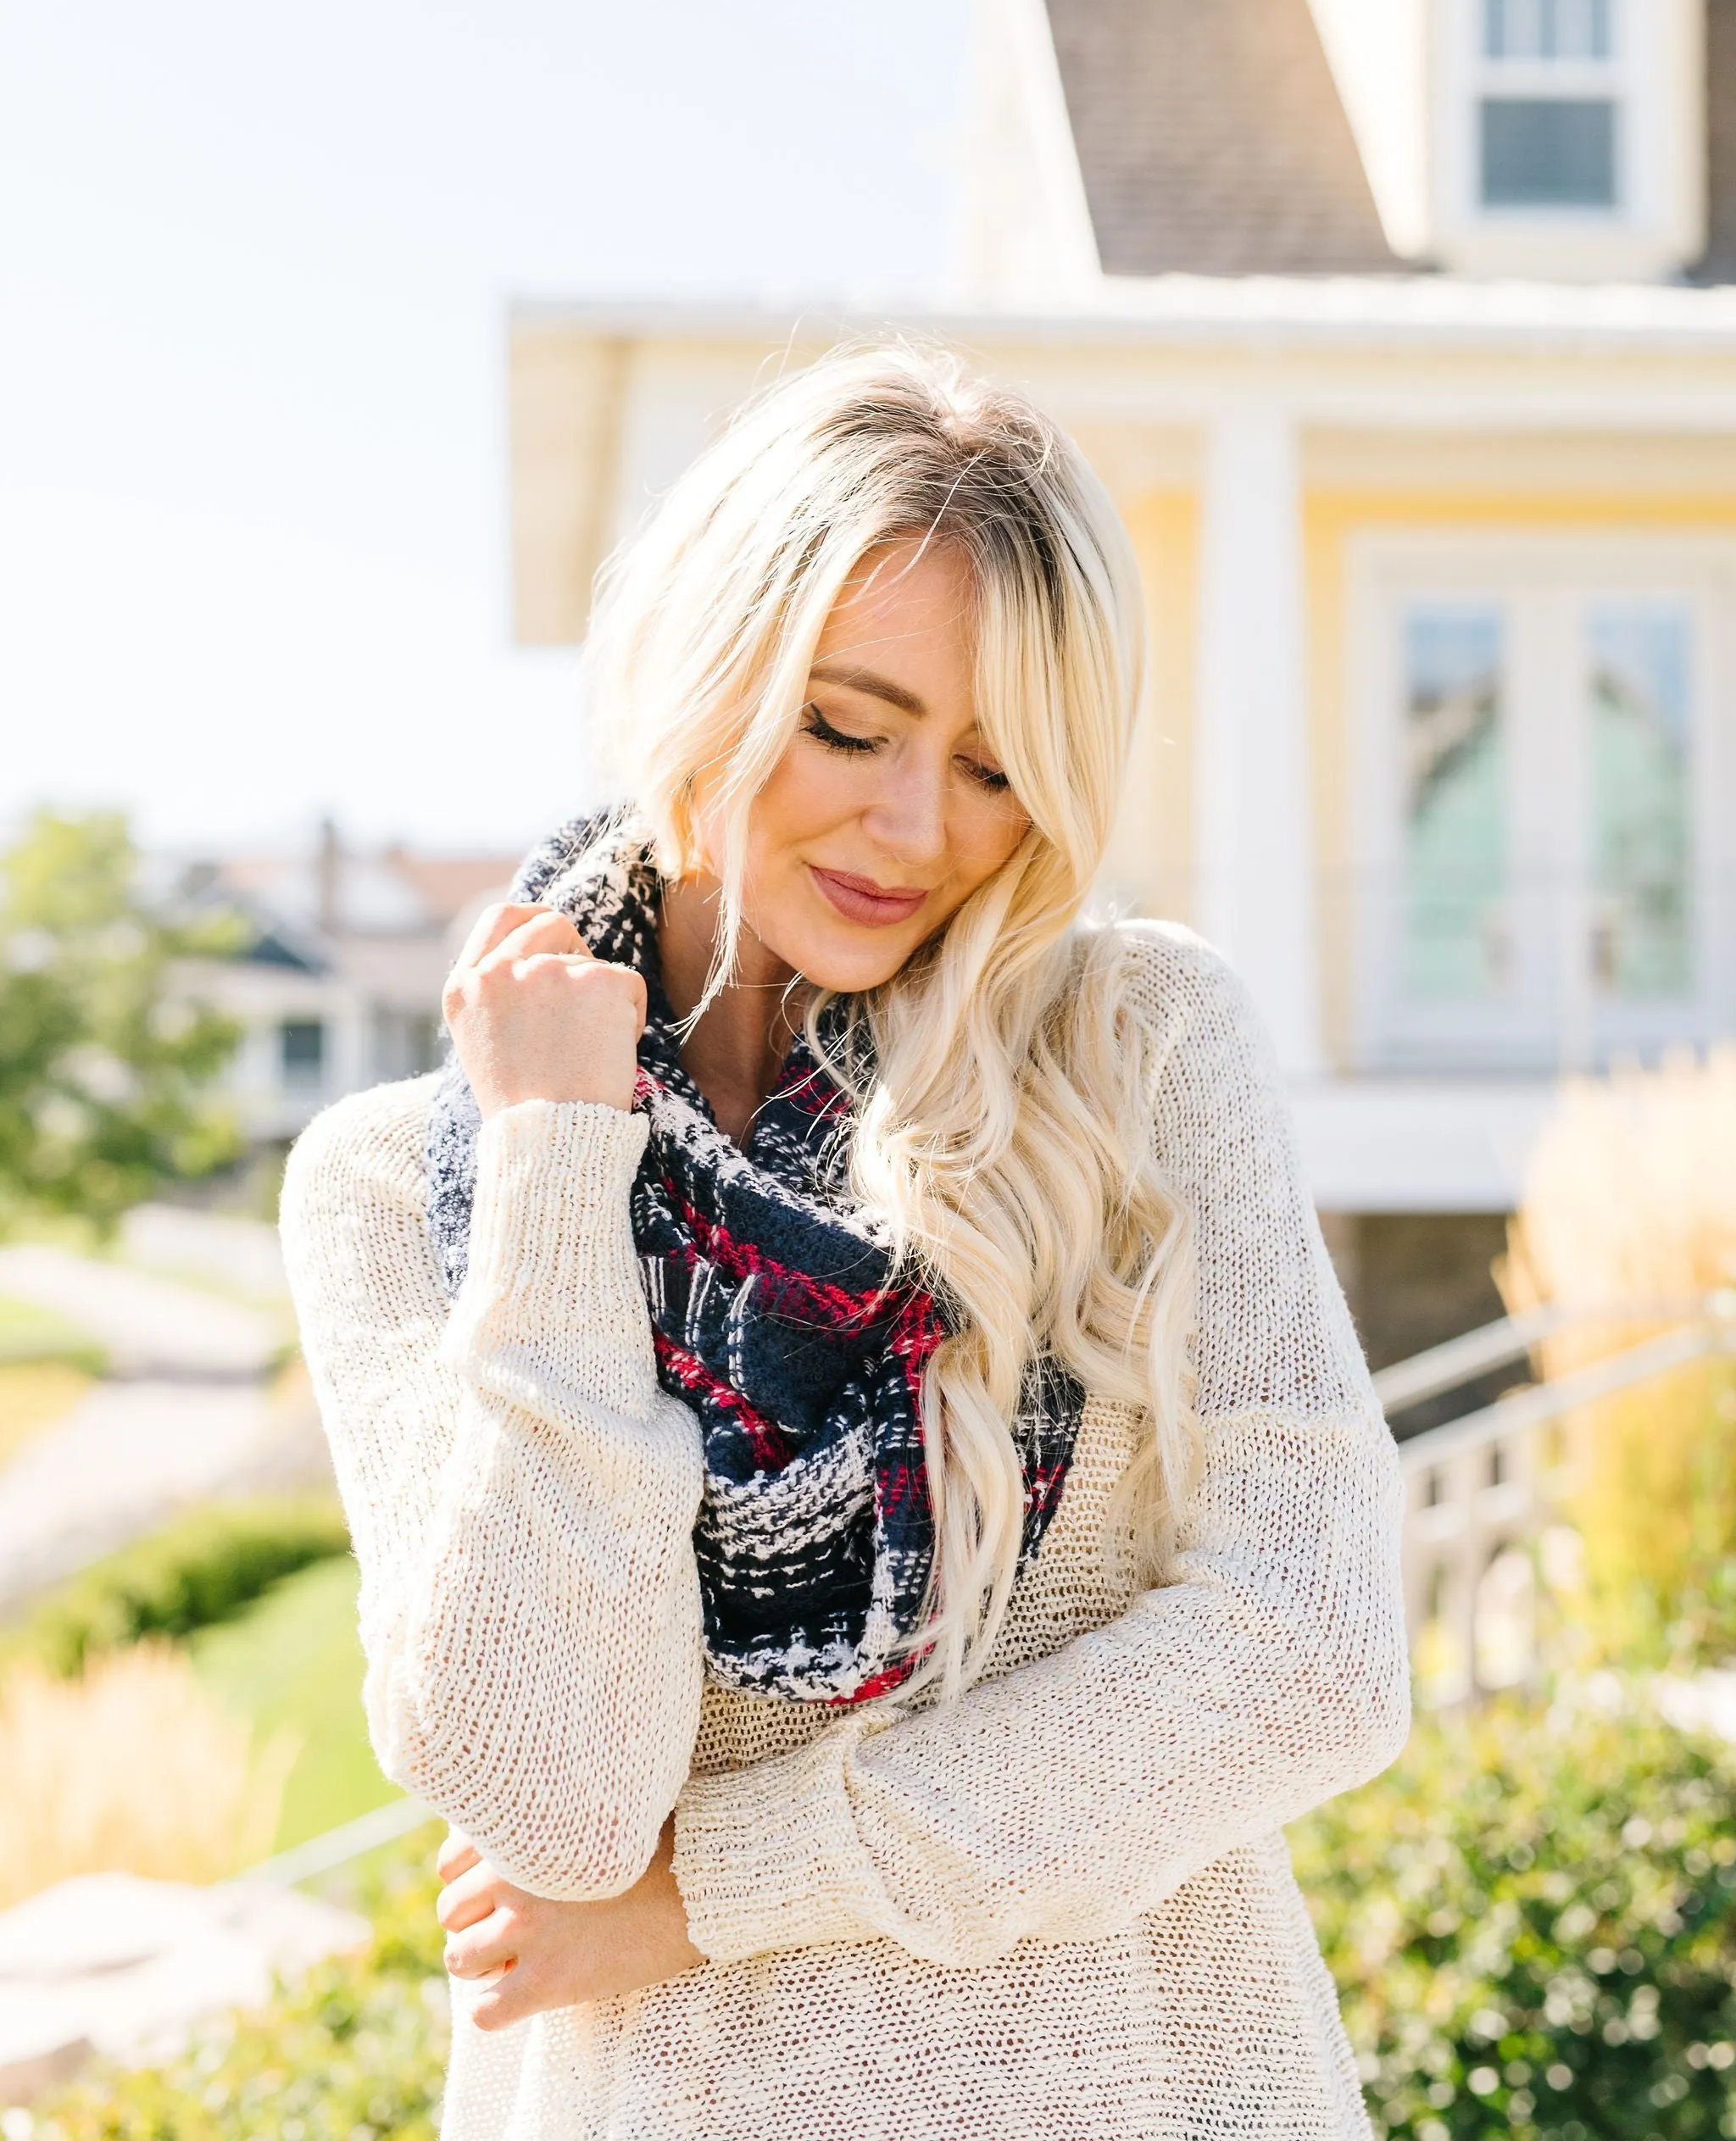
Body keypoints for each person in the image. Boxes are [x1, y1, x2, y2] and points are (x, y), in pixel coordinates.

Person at [281, 345, 1409, 2141]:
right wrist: (560, 1168)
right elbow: (554, 1789)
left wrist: (709, 1893)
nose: (914, 830)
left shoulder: (1129, 1052)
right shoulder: (403, 1186)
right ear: (700, 668)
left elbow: (1311, 1648)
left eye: (991, 765)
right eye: (847, 724)